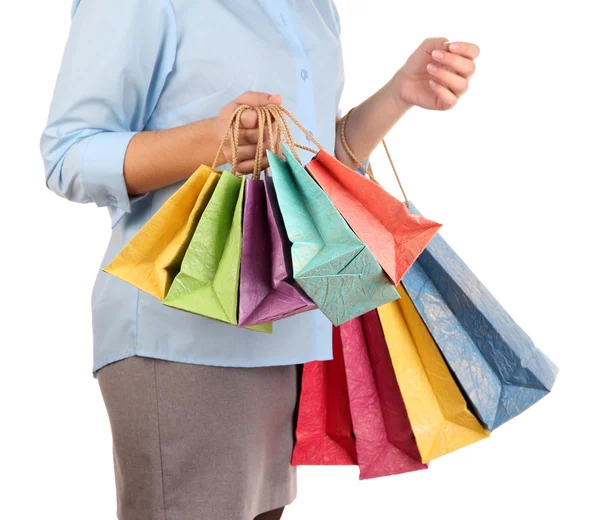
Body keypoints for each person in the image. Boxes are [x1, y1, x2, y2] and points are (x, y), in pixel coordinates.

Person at [40, 1, 479, 519]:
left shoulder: (314, 7)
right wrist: (213, 141)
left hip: (288, 337)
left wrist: (400, 94)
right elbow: (68, 155)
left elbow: (310, 166)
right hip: (182, 342)